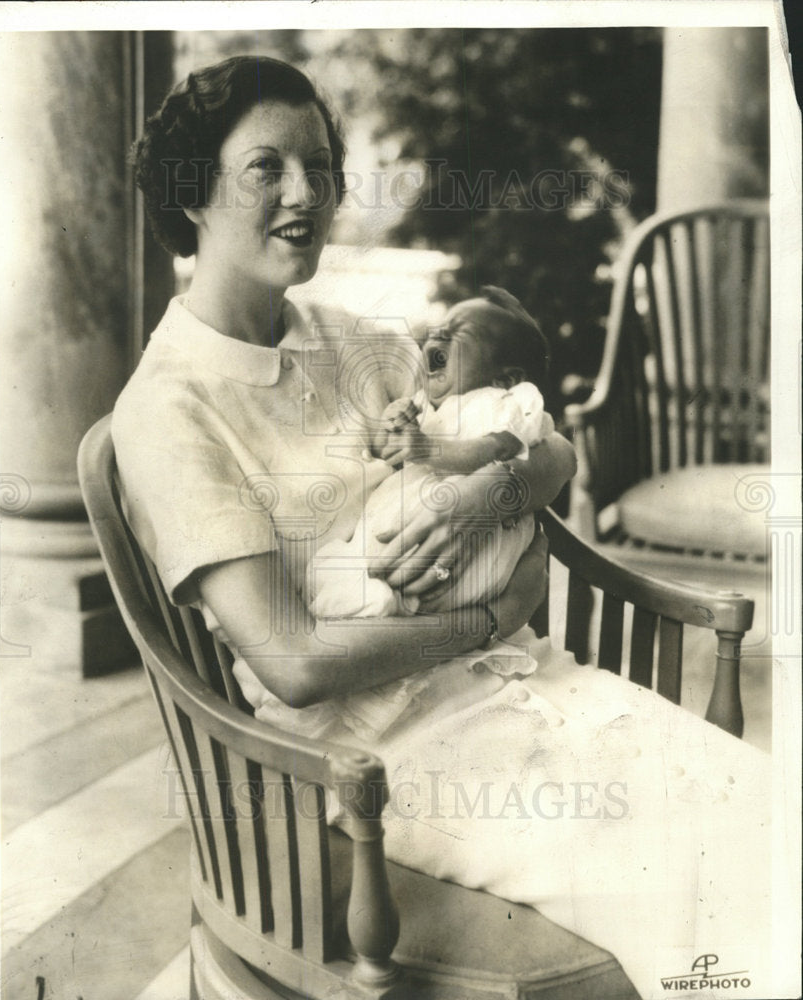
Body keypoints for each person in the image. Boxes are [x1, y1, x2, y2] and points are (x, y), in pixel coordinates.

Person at [113, 55, 772, 998]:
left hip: (514, 687)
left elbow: (547, 451)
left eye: (321, 166)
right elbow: (292, 662)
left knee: (758, 809)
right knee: (681, 879)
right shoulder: (168, 409)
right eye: (268, 167)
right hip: (373, 758)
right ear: (190, 191)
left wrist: (489, 498)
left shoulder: (348, 339)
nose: (308, 193)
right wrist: (490, 616)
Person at [307, 284, 555, 621]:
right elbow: (392, 448)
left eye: (459, 332)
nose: (437, 334)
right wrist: (396, 419)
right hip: (420, 519)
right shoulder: (429, 401)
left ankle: (379, 603)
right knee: (345, 562)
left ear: (506, 377)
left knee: (401, 585)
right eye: (441, 327)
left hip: (467, 539)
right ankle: (357, 598)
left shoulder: (505, 402)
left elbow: (494, 449)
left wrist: (427, 448)